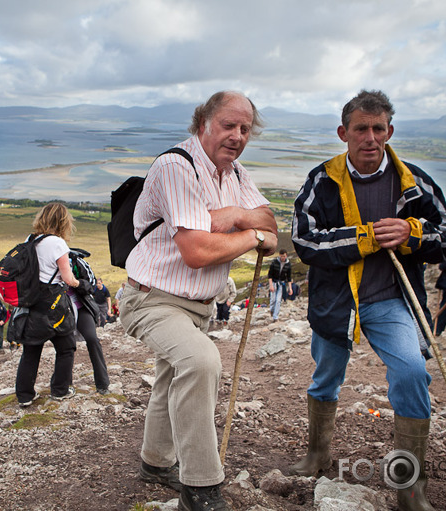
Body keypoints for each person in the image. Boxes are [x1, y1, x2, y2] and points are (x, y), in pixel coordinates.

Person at [290, 90, 446, 511]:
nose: (370, 137)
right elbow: (304, 241)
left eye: (378, 128)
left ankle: (410, 488)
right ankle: (316, 456)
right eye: (360, 128)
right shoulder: (322, 180)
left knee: (413, 373)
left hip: (390, 301)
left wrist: (412, 233)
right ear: (344, 133)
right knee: (326, 378)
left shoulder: (413, 180)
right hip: (337, 303)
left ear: (390, 131)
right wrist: (362, 238)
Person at [119, 91, 278, 511]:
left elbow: (274, 227)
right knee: (200, 362)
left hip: (197, 304)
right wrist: (250, 231)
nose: (238, 135)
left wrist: (234, 217)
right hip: (151, 299)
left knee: (174, 373)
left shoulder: (235, 173)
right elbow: (197, 252)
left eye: (245, 128)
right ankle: (201, 488)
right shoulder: (177, 165)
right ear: (202, 123)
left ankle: (155, 464)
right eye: (229, 125)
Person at [15, 202, 87, 407]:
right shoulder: (57, 243)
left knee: (31, 350)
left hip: (31, 301)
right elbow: (67, 278)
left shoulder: (30, 239)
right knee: (65, 348)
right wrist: (81, 284)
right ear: (63, 222)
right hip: (54, 304)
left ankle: (25, 395)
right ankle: (60, 390)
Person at [67, 252, 111, 395]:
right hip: (61, 311)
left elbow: (91, 285)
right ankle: (65, 385)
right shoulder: (46, 261)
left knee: (92, 339)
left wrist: (76, 283)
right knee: (66, 345)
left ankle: (103, 384)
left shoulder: (75, 260)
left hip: (81, 306)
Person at [267, 249, 292, 321]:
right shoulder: (274, 262)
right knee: (273, 300)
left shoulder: (288, 264)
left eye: (283, 256)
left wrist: (290, 288)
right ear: (279, 256)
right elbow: (270, 275)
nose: (282, 258)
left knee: (278, 300)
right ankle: (272, 310)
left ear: (286, 255)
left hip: (281, 283)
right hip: (274, 282)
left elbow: (289, 277)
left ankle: (275, 317)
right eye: (281, 256)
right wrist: (271, 285)